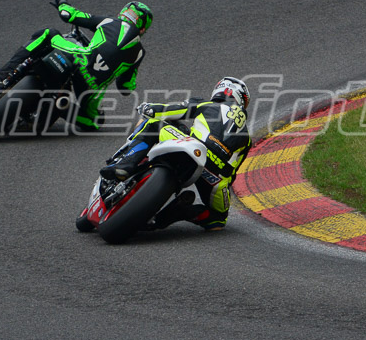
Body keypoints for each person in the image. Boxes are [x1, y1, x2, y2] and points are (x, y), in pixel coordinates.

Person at [100, 77, 252, 231]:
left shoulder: (207, 104)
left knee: (153, 124)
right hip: (216, 176)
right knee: (218, 219)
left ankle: (125, 165)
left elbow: (171, 110)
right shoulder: (246, 138)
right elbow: (232, 173)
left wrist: (148, 108)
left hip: (197, 149)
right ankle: (179, 212)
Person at [0, 0, 152, 132]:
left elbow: (69, 15)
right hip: (92, 85)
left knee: (48, 33)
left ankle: (4, 73)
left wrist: (62, 3)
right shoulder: (139, 52)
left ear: (123, 13)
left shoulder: (110, 21)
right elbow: (125, 88)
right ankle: (62, 104)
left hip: (78, 58)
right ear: (143, 28)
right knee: (95, 122)